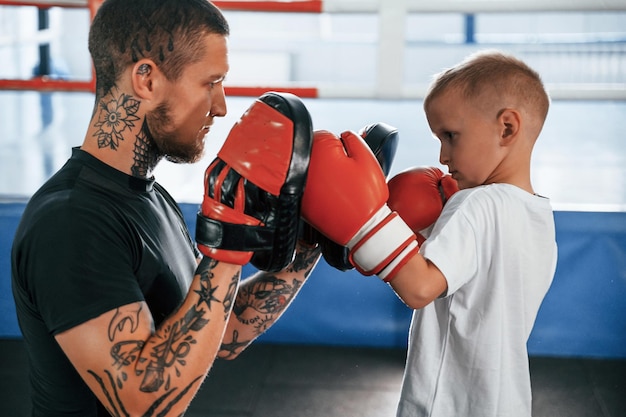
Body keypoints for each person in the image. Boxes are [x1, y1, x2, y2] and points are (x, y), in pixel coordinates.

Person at [11, 1, 323, 416]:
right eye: (210, 82)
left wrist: (308, 241)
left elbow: (218, 328)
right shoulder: (71, 221)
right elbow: (143, 403)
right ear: (146, 79)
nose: (221, 105)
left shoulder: (149, 197)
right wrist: (228, 240)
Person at [301, 50, 558, 416]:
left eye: (451, 135)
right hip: (506, 401)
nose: (442, 155)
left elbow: (420, 288)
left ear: (507, 128)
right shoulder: (537, 215)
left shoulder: (475, 206)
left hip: (448, 403)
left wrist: (366, 220)